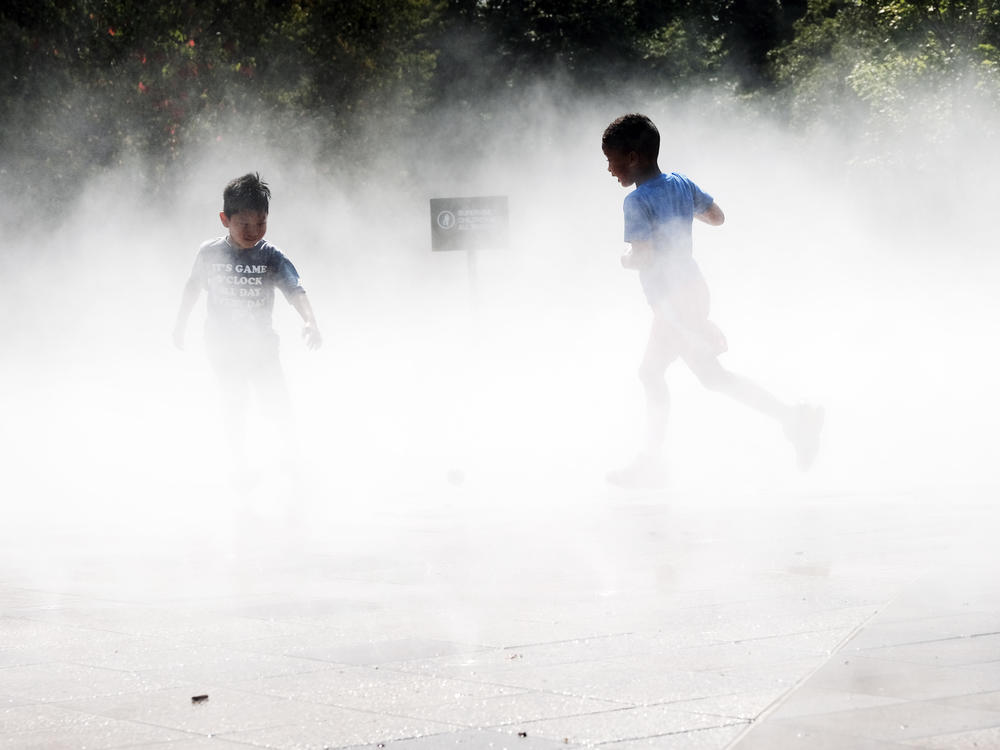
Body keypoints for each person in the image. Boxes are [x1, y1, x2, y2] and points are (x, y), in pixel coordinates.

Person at [601, 113, 823, 488]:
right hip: (693, 287)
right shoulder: (681, 183)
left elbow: (642, 256)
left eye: (612, 160)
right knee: (711, 377)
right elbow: (717, 217)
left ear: (634, 157)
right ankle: (793, 418)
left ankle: (652, 463)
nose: (609, 169)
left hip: (671, 297)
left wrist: (625, 257)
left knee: (651, 373)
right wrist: (681, 212)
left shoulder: (636, 201)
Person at [173, 172, 322, 476]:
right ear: (224, 219)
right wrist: (180, 324)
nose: (254, 231)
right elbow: (192, 287)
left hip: (262, 347)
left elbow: (295, 290)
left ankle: (292, 460)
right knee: (234, 401)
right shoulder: (210, 254)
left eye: (261, 223)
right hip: (222, 345)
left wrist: (310, 322)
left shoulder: (270, 257)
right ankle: (239, 465)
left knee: (277, 403)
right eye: (244, 224)